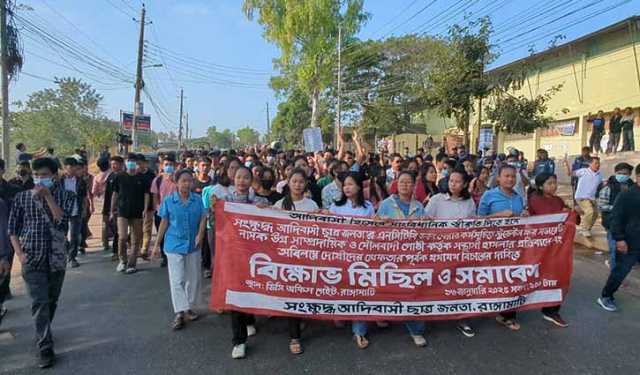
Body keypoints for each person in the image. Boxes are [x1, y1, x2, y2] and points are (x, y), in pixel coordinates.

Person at [8, 157, 74, 368]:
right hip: (32, 257)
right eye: (36, 175)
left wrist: (48, 199)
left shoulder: (66, 196)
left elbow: (62, 224)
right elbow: (12, 229)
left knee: (51, 300)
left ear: (54, 176)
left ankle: (43, 330)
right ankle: (45, 347)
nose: (39, 179)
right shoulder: (21, 198)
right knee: (39, 302)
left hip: (56, 258)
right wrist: (20, 254)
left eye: (44, 175)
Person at [220, 166, 269, 359]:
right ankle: (238, 341)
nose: (242, 181)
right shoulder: (226, 201)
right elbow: (218, 224)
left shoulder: (260, 201)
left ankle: (249, 319)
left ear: (251, 181)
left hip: (255, 255)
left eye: (246, 178)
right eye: (239, 177)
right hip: (233, 255)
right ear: (233, 179)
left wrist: (265, 209)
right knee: (236, 294)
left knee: (252, 288)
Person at [376, 171, 428, 348]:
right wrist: (381, 221)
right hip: (390, 255)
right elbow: (374, 226)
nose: (405, 185)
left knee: (413, 292)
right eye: (402, 182)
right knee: (388, 288)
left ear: (414, 186)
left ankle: (416, 330)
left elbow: (427, 230)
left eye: (409, 183)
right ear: (396, 185)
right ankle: (382, 316)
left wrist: (427, 222)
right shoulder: (386, 204)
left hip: (413, 257)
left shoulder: (419, 206)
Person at [272, 168, 319, 356]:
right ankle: (294, 337)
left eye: (301, 181)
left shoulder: (311, 205)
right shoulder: (279, 204)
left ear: (306, 184)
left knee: (303, 293)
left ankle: (302, 318)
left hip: (306, 257)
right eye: (294, 181)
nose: (298, 184)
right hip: (286, 258)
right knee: (292, 294)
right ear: (288, 183)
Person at [425, 169, 477, 337]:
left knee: (461, 285)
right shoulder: (436, 200)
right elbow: (425, 222)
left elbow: (473, 225)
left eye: (458, 181)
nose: (453, 184)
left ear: (464, 184)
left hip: (461, 251)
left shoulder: (469, 203)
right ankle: (429, 316)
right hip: (439, 250)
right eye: (451, 181)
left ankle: (462, 318)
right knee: (435, 283)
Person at [153, 169, 207, 330]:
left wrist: (201, 234)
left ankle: (188, 306)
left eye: (189, 180)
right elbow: (164, 223)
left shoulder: (197, 200)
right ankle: (180, 312)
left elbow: (204, 217)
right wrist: (156, 244)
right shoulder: (169, 201)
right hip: (173, 245)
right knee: (177, 280)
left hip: (193, 245)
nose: (186, 184)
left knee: (194, 279)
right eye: (183, 180)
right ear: (176, 183)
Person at [478, 165, 526, 331]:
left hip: (514, 246)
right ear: (498, 178)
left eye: (513, 176)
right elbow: (478, 220)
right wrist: (498, 216)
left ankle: (508, 315)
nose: (510, 179)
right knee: (495, 279)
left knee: (512, 279)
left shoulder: (518, 197)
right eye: (506, 176)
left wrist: (524, 217)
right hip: (494, 246)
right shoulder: (489, 195)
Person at [527, 172, 572, 327]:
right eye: (550, 183)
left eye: (555, 183)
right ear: (540, 186)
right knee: (538, 276)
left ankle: (551, 310)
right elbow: (546, 218)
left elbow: (571, 219)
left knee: (557, 276)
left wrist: (571, 211)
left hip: (557, 246)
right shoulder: (535, 199)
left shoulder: (559, 200)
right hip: (540, 246)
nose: (553, 186)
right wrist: (562, 213)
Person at [597, 163, 640, 312]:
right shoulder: (627, 195)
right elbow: (616, 219)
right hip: (630, 241)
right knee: (621, 271)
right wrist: (620, 239)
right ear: (638, 177)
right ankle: (606, 296)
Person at [111, 154, 149, 274]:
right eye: (129, 161)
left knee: (136, 239)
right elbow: (115, 193)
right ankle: (123, 260)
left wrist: (146, 209)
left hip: (137, 212)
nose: (131, 163)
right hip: (122, 211)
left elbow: (146, 194)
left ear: (136, 163)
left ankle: (132, 264)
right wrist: (112, 209)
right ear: (126, 163)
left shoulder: (141, 178)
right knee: (122, 236)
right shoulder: (119, 176)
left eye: (133, 161)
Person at [597, 163, 634, 268]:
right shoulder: (608, 188)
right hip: (613, 224)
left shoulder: (633, 187)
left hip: (629, 225)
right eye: (619, 173)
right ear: (615, 173)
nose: (622, 175)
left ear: (630, 174)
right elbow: (602, 206)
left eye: (625, 173)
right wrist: (617, 208)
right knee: (615, 250)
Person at [150, 154, 178, 268]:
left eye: (171, 165)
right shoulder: (158, 180)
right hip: (161, 212)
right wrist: (156, 209)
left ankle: (173, 255)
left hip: (174, 213)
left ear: (175, 166)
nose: (168, 167)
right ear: (162, 165)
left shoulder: (178, 180)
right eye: (166, 164)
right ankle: (164, 256)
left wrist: (175, 181)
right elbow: (155, 196)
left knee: (172, 234)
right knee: (161, 234)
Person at [61, 157, 87, 268]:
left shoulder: (81, 181)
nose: (72, 169)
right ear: (65, 167)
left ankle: (72, 257)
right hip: (61, 211)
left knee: (75, 235)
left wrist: (85, 209)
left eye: (74, 167)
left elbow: (84, 197)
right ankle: (67, 251)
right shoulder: (59, 181)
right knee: (62, 234)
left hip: (76, 211)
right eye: (70, 167)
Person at [568, 156, 602, 237]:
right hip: (582, 196)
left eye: (599, 163)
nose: (598, 165)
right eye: (596, 163)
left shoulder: (599, 174)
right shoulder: (583, 171)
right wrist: (567, 164)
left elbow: (601, 184)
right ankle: (584, 229)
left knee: (596, 214)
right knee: (589, 211)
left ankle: (587, 229)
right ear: (590, 164)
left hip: (592, 198)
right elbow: (571, 174)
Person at [136, 154, 156, 260]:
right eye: (137, 164)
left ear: (145, 163)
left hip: (149, 206)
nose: (138, 166)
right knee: (137, 229)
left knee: (147, 229)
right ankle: (137, 247)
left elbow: (153, 192)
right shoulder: (134, 175)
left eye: (140, 163)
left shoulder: (151, 175)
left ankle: (144, 249)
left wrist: (154, 205)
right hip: (136, 206)